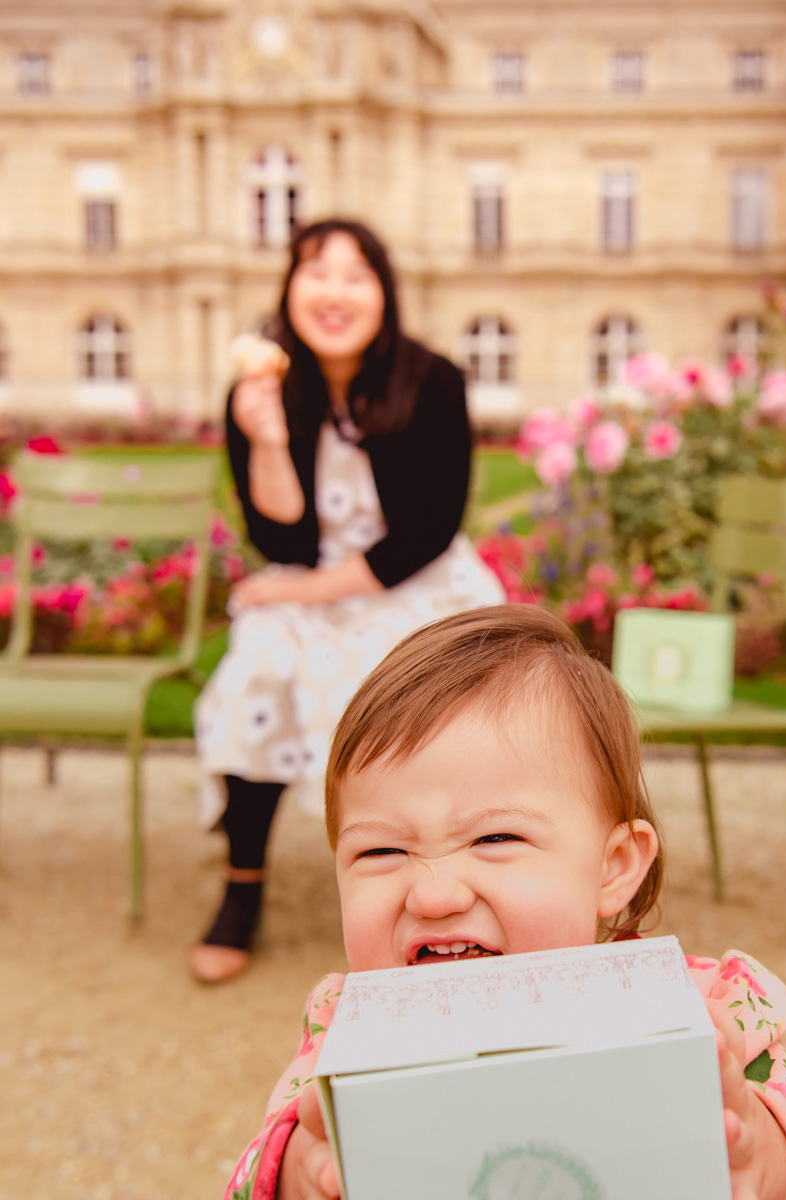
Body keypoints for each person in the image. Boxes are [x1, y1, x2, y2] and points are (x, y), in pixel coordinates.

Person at [222, 605, 786, 1200]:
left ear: (614, 867)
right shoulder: (344, 1042)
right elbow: (259, 1169)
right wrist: (293, 1178)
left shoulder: (713, 1020)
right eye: (380, 853)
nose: (432, 893)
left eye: (494, 837)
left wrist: (771, 1169)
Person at [191, 219, 504, 984]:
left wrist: (304, 590)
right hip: (315, 577)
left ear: (384, 294)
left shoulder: (432, 382)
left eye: (355, 275)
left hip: (417, 581)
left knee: (410, 688)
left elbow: (428, 531)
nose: (334, 292)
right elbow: (283, 541)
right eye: (316, 272)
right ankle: (243, 885)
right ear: (289, 289)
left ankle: (448, 888)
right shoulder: (263, 390)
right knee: (257, 666)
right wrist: (264, 440)